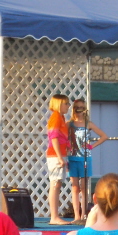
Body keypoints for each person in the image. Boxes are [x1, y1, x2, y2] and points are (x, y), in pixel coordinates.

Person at [67, 99, 108, 223]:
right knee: (75, 187)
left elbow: (104, 136)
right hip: (72, 158)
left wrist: (92, 146)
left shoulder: (88, 124)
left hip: (85, 158)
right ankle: (76, 216)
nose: (79, 109)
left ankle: (84, 215)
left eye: (81, 107)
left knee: (84, 187)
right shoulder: (69, 124)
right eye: (77, 107)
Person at [47, 94, 72, 225]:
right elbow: (54, 137)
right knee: (55, 184)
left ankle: (55, 216)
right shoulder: (56, 116)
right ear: (59, 105)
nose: (68, 106)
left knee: (57, 185)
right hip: (55, 155)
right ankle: (54, 217)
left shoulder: (61, 117)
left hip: (60, 154)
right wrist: (59, 157)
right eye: (66, 104)